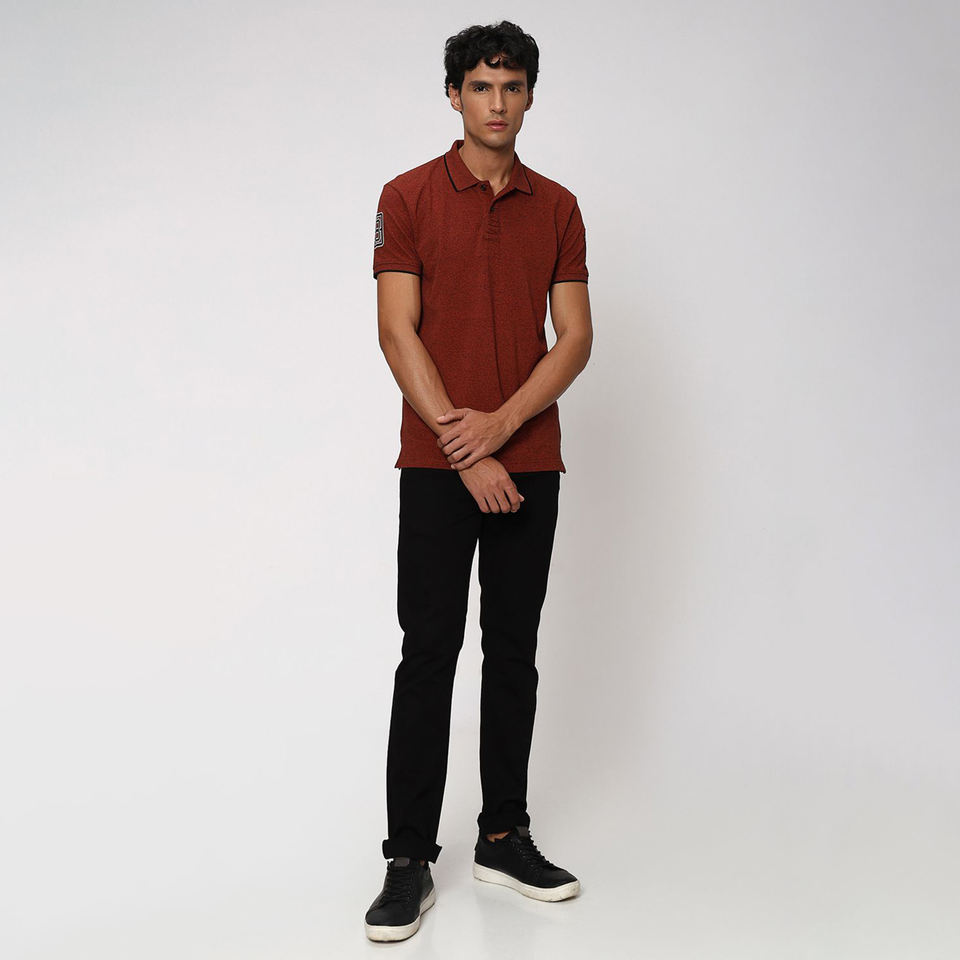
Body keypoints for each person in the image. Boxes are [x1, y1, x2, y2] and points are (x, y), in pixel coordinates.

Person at [364, 19, 593, 942]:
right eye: (481, 86)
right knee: (429, 652)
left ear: (530, 95)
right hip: (436, 465)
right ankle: (407, 859)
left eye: (513, 86)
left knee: (514, 652)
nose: (497, 103)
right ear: (454, 95)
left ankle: (503, 836)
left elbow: (574, 338)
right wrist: (470, 448)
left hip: (531, 464)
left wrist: (503, 428)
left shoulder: (558, 206)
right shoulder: (407, 196)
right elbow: (397, 332)